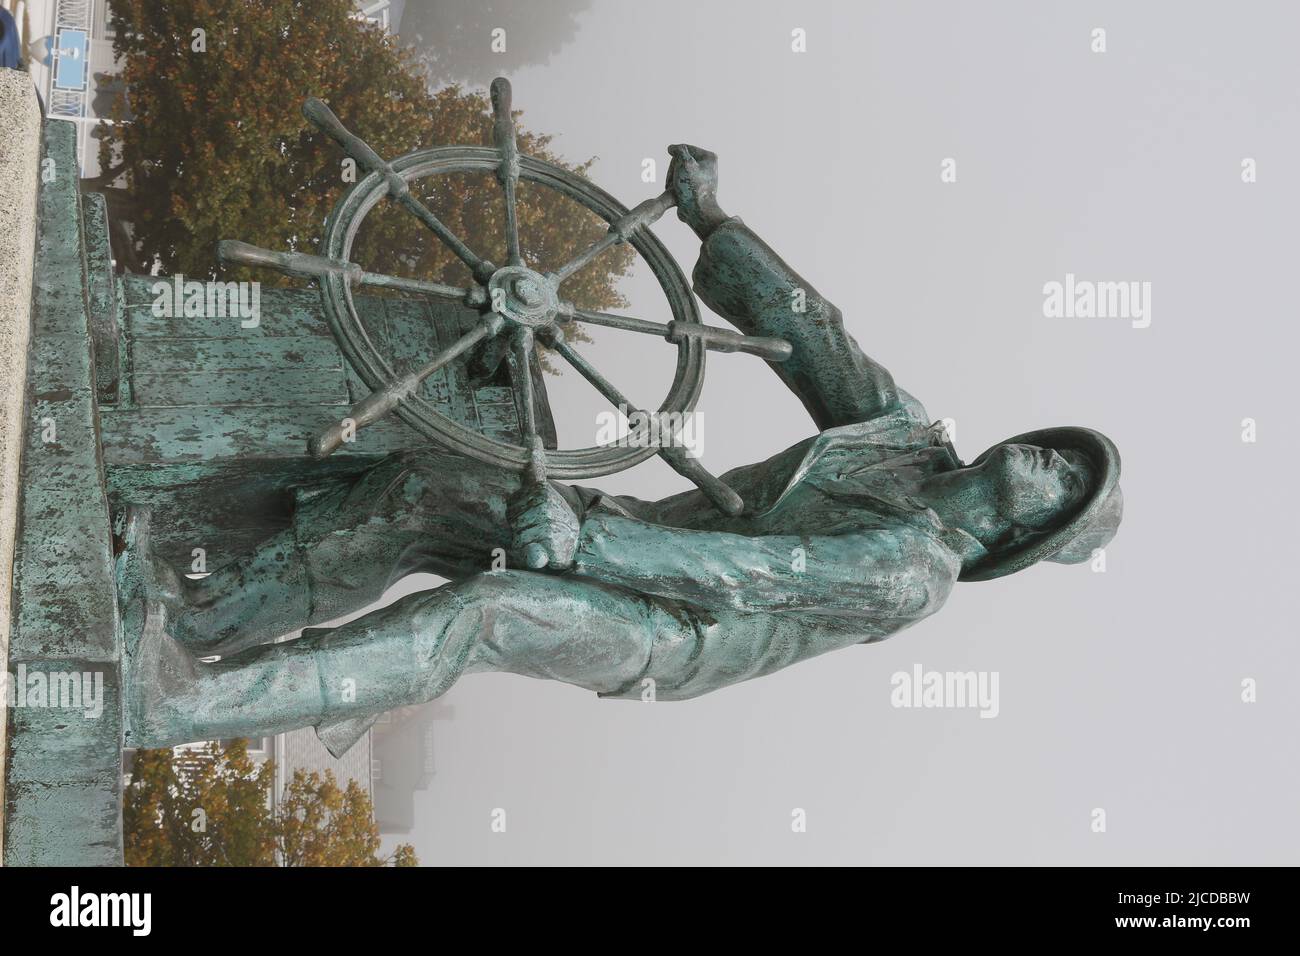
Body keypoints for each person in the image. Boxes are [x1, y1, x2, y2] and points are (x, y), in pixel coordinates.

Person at [122, 145, 1123, 755]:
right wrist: (709, 218)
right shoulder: (901, 435)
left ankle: (176, 704)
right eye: (1057, 451)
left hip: (669, 629)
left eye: (1064, 483)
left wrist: (582, 548)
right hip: (627, 533)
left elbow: (755, 571)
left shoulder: (913, 573)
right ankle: (201, 614)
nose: (1047, 461)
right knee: (427, 487)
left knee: (489, 608)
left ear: (1033, 529)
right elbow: (812, 331)